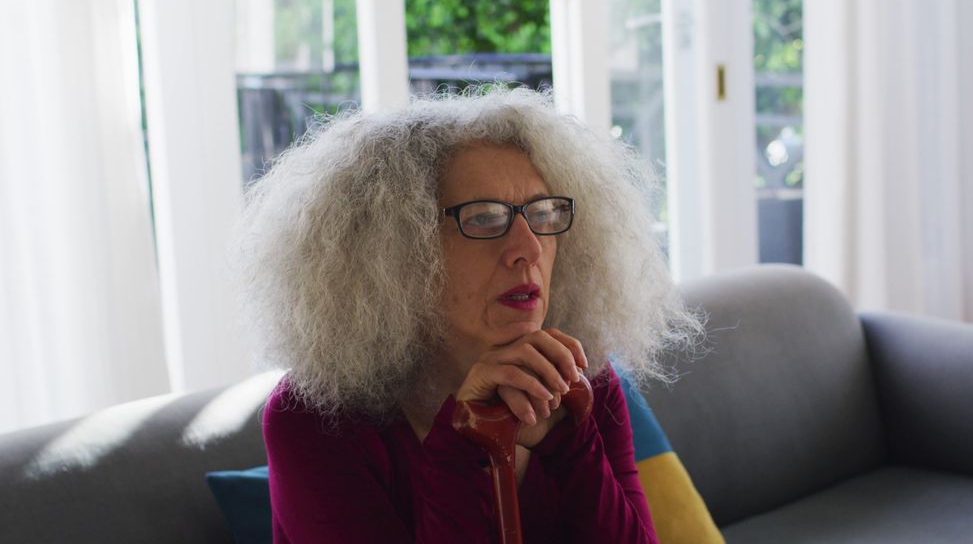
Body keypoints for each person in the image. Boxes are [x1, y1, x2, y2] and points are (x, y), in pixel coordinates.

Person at [234, 87, 702, 543]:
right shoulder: (316, 421)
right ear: (396, 253)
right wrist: (461, 444)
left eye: (542, 213)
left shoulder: (582, 381)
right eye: (482, 218)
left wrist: (568, 444)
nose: (528, 248)